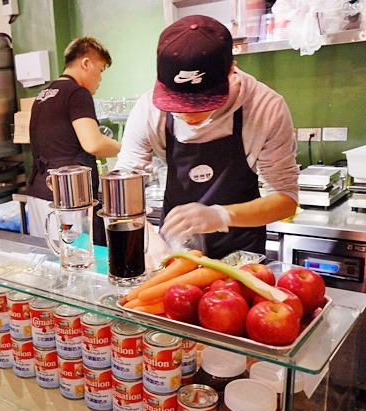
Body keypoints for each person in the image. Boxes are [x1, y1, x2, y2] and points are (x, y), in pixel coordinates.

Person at [115, 15, 299, 259]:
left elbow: (286, 199)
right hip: (176, 252)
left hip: (242, 254)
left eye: (203, 102)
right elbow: (121, 188)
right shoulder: (149, 111)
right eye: (178, 104)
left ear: (231, 70)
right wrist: (149, 237)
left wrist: (222, 216)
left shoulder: (265, 108)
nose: (189, 115)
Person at [26, 36, 121, 244]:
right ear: (86, 64)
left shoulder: (43, 95)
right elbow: (93, 143)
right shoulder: (77, 93)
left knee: (46, 265)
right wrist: (126, 149)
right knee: (76, 263)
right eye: (101, 70)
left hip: (38, 194)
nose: (100, 78)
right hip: (69, 200)